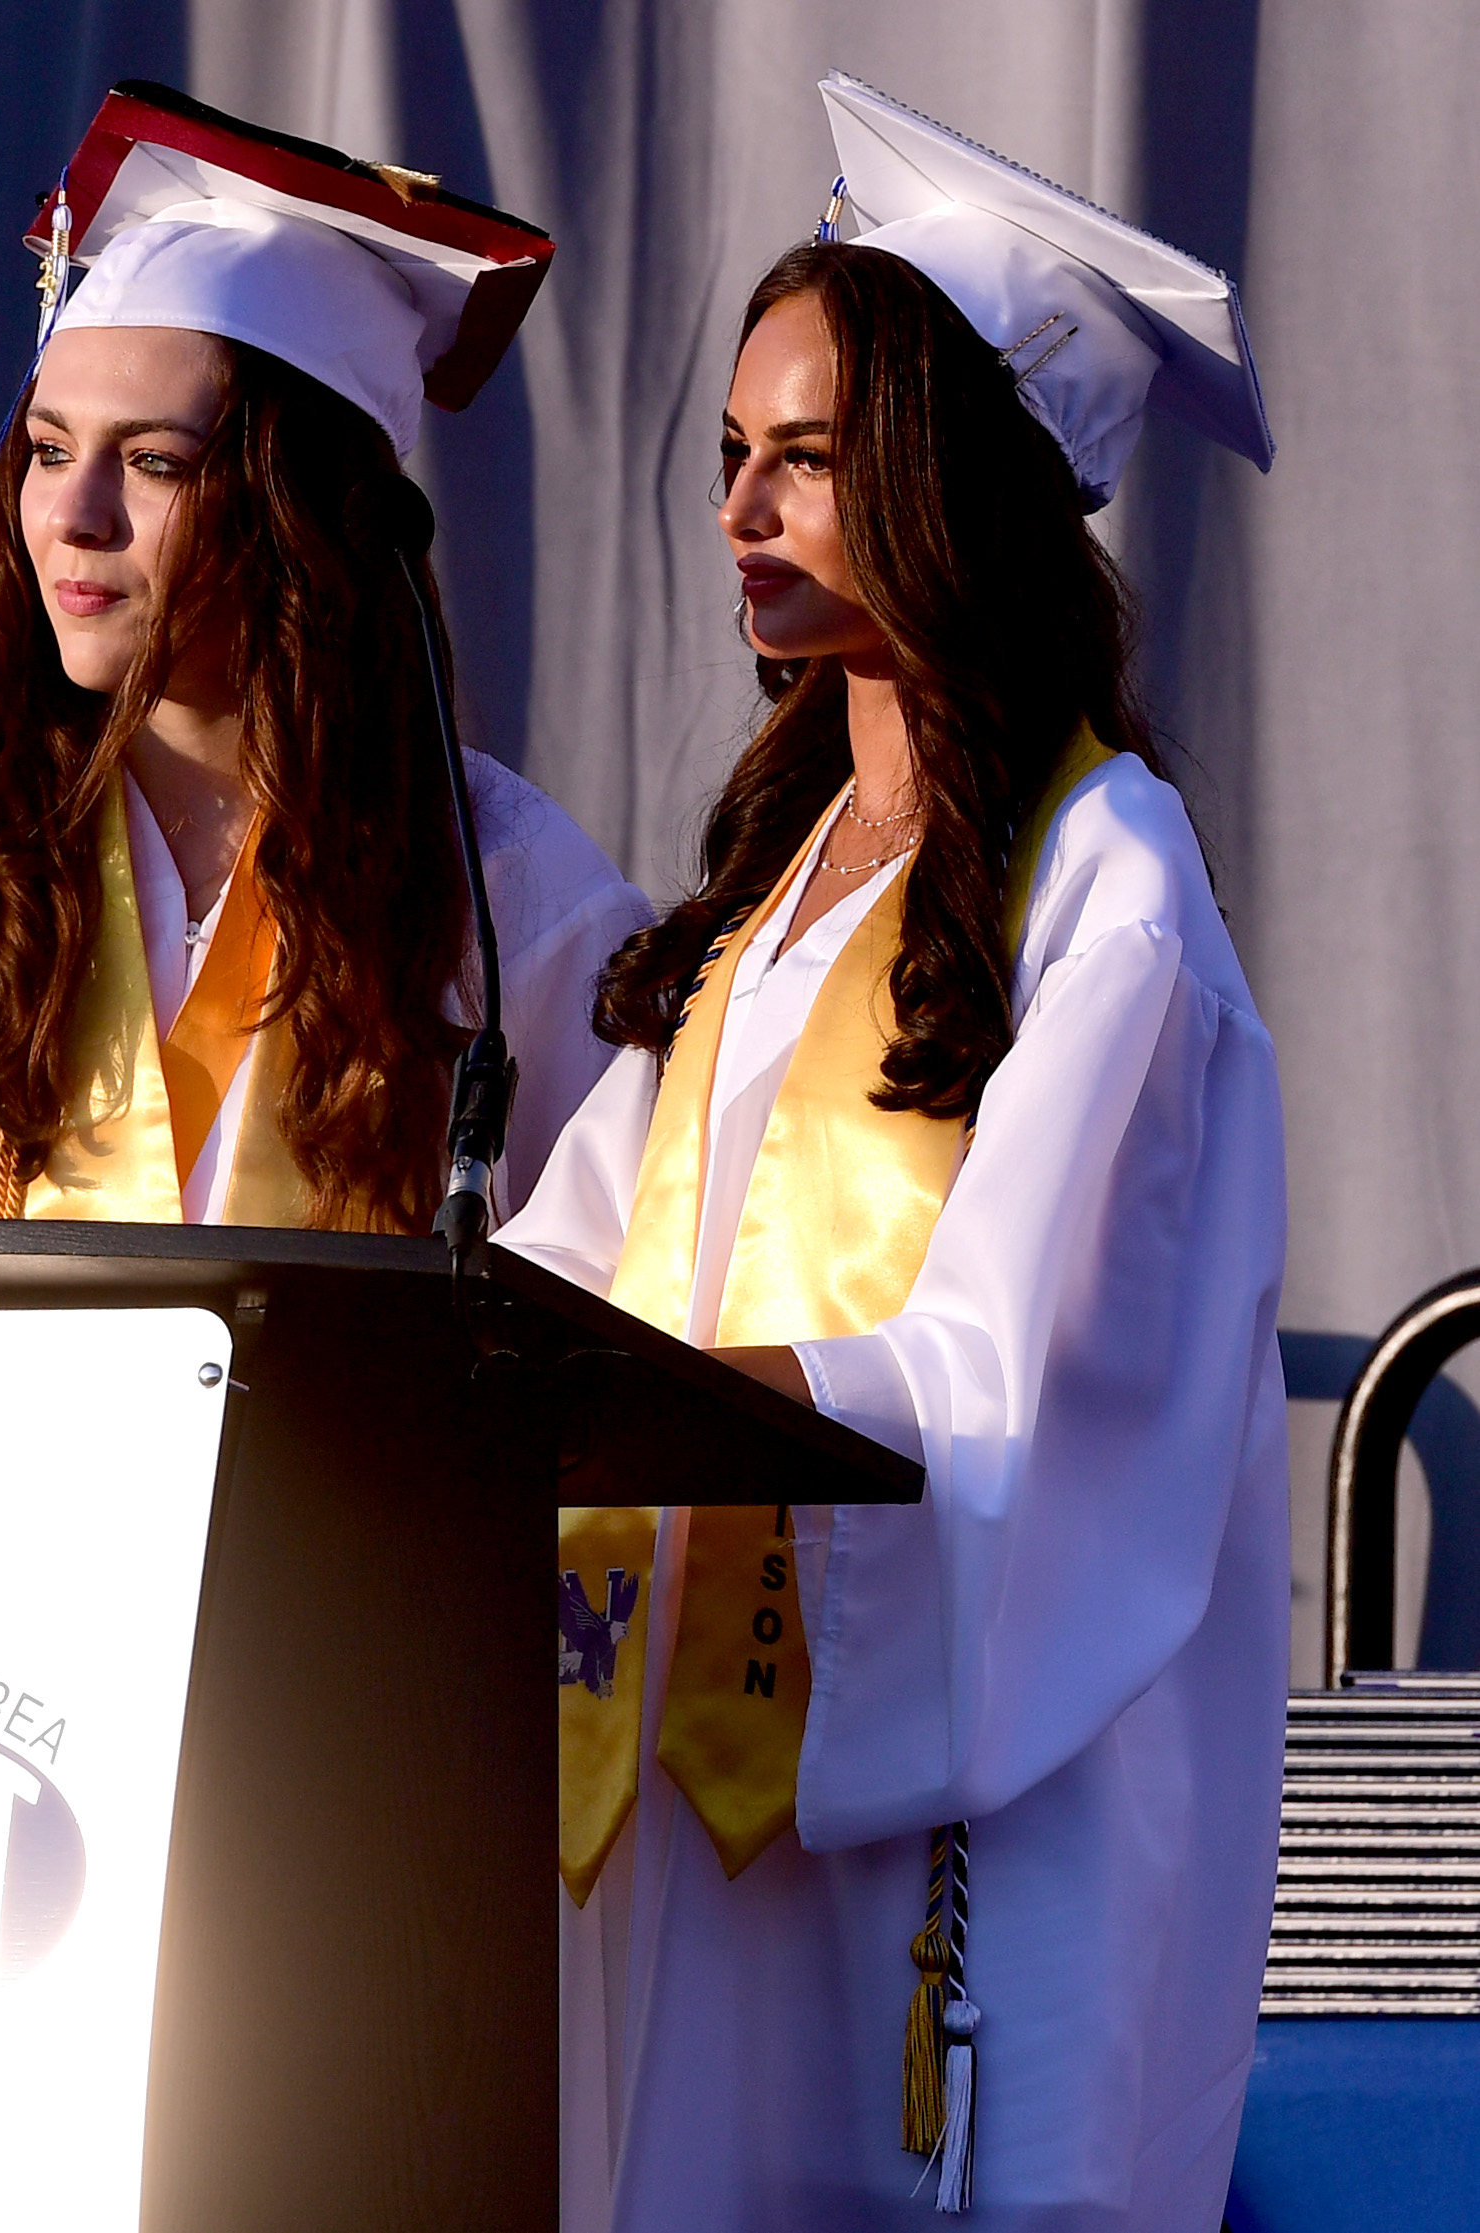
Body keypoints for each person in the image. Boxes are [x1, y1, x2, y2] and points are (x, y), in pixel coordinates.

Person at [505, 75, 1287, 2233]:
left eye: (808, 460)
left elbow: (1030, 1392)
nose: (740, 510)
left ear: (962, 485)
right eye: (729, 457)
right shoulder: (783, 881)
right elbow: (605, 1256)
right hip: (718, 1774)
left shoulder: (1107, 881)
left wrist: (693, 1408)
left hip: (963, 1802)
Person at [0, 82, 647, 1229]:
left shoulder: (512, 894)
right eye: (49, 450)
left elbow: (592, 1312)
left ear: (307, 513)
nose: (75, 514)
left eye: (155, 461)